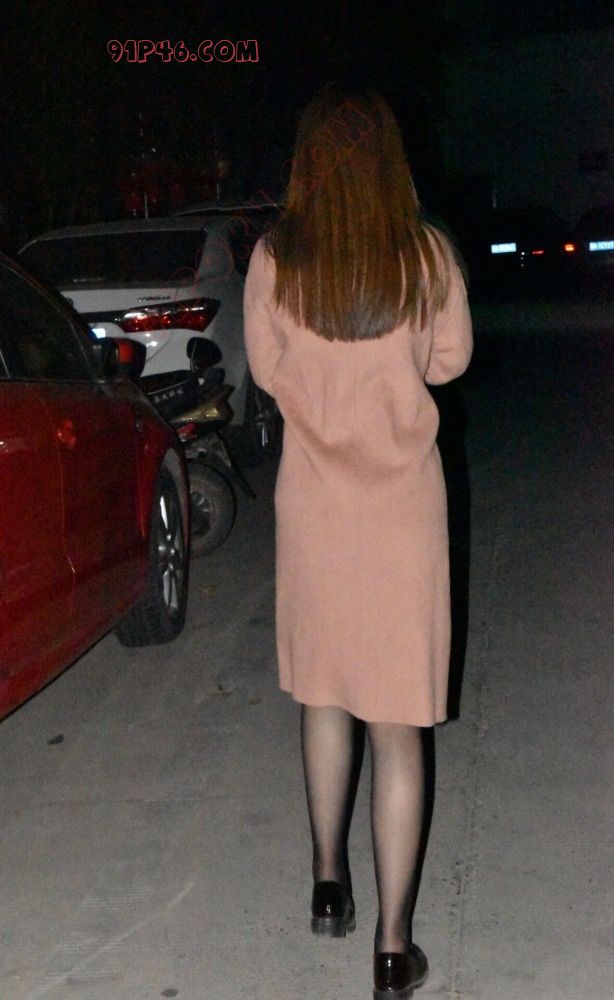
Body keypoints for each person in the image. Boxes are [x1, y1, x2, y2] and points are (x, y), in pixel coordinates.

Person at [243, 82, 473, 1000]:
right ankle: (390, 947)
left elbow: (267, 371)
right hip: (402, 519)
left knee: (325, 698)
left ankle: (328, 882)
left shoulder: (277, 260)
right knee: (398, 728)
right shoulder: (424, 254)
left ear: (306, 163)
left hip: (316, 514)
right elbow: (450, 360)